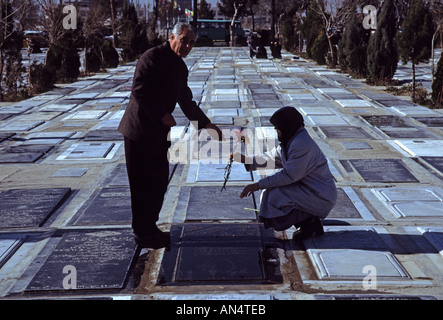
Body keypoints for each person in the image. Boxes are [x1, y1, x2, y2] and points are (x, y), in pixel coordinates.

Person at [118, 23, 223, 249]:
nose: (187, 46)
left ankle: (151, 227)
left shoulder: (180, 67)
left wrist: (206, 125)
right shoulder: (151, 57)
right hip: (138, 131)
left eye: (191, 42)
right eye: (184, 40)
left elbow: (185, 100)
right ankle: (142, 233)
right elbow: (138, 89)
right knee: (141, 185)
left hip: (158, 133)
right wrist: (161, 114)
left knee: (158, 182)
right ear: (172, 36)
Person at [234, 107, 337, 240]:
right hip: (309, 190)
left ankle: (310, 222)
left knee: (275, 196)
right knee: (272, 195)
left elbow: (289, 175)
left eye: (278, 129)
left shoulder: (302, 144)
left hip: (319, 196)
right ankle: (309, 223)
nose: (277, 133)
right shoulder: (293, 140)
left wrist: (257, 185)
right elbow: (272, 158)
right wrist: (246, 159)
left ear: (287, 127)